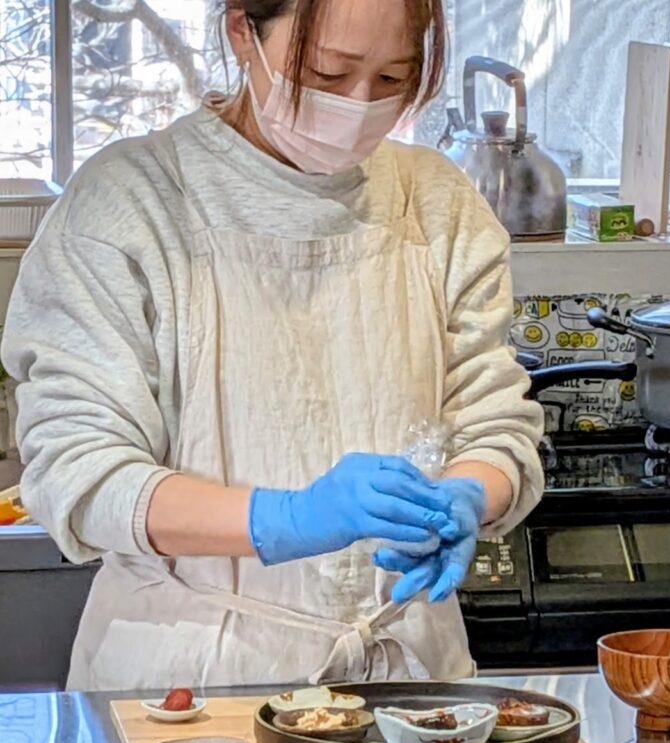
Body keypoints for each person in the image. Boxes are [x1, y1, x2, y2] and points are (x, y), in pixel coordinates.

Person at [1, 0, 544, 691]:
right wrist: (283, 519)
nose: (359, 104)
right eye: (329, 73)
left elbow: (494, 423)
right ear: (242, 31)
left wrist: (470, 492)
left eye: (392, 78)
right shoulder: (128, 205)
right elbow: (80, 474)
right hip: (188, 686)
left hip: (408, 687)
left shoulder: (436, 203)